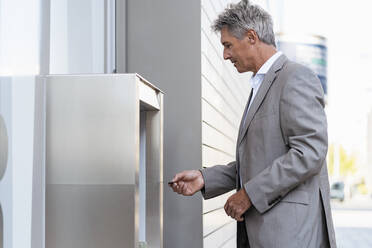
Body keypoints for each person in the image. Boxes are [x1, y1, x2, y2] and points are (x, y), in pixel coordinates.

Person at [169, 0, 336, 247]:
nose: (225, 55)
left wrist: (249, 195)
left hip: (291, 237)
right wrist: (205, 179)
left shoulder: (295, 78)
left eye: (228, 45)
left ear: (251, 37)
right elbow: (258, 161)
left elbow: (309, 153)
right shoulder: (261, 85)